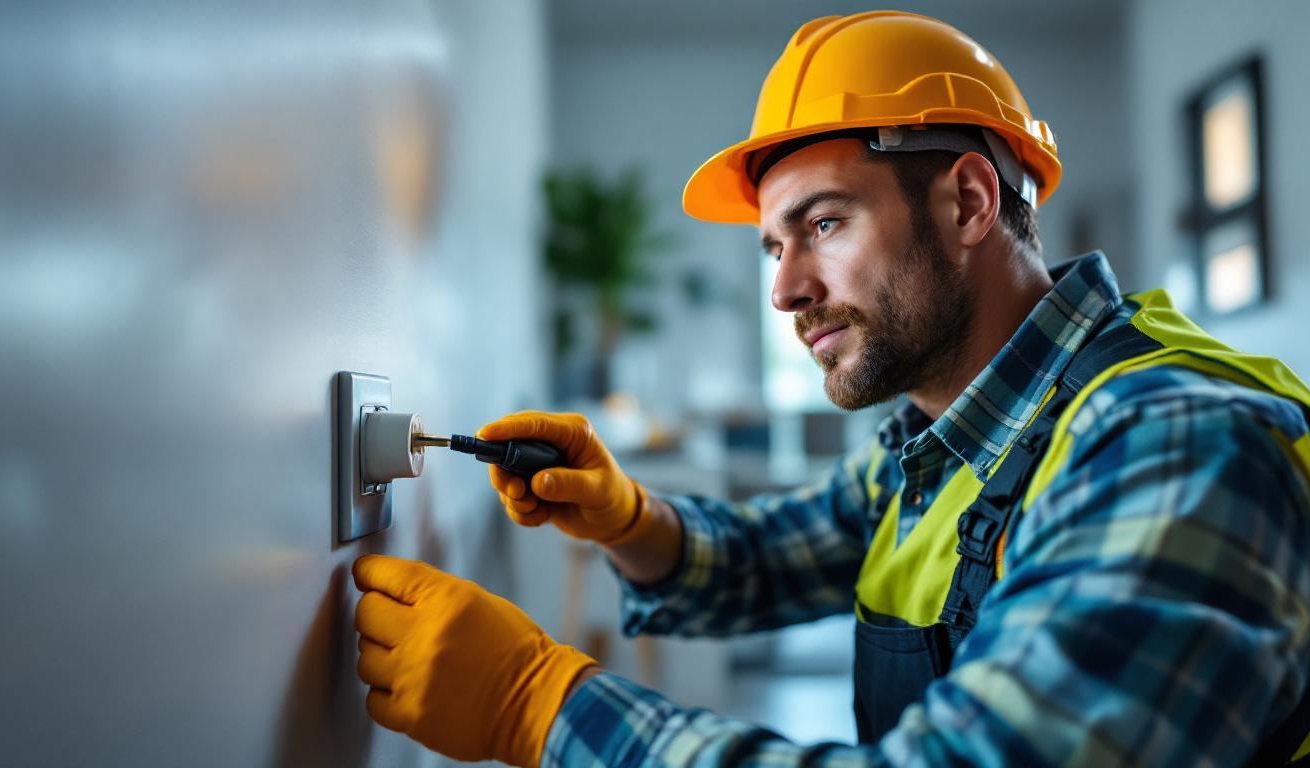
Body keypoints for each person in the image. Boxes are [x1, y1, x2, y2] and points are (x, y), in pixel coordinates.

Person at [351, 11, 1310, 767]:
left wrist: (536, 705)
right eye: (774, 244)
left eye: (823, 224)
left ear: (970, 203)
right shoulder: (950, 436)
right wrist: (626, 519)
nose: (784, 289)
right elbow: (777, 553)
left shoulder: (1172, 443)